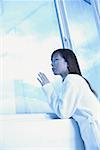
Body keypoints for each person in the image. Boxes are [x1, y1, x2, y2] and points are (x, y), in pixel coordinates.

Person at [37, 48, 100, 150]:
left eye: (56, 60)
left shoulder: (71, 79)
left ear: (67, 62)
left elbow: (64, 112)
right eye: (51, 61)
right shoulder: (75, 80)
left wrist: (48, 87)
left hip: (95, 131)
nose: (52, 64)